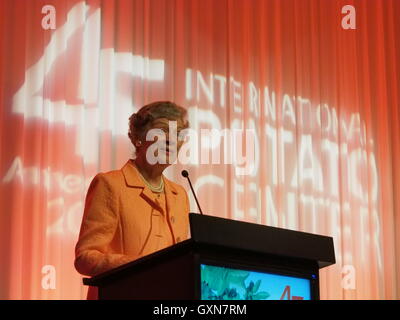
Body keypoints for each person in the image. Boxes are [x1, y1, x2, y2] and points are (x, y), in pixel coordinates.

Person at [74, 101, 190, 299]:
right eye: (163, 130)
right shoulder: (111, 185)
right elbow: (85, 258)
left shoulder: (179, 195)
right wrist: (142, 267)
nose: (172, 139)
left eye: (178, 133)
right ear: (138, 138)